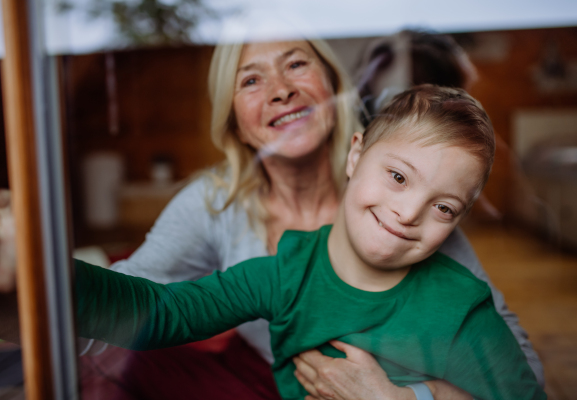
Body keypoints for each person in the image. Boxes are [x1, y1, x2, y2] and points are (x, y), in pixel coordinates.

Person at [0, 37, 543, 399]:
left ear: (334, 87)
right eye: (250, 79)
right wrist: (38, 271)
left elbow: (522, 382)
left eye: (297, 63)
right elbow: (153, 304)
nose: (406, 211)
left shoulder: (443, 269)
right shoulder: (276, 262)